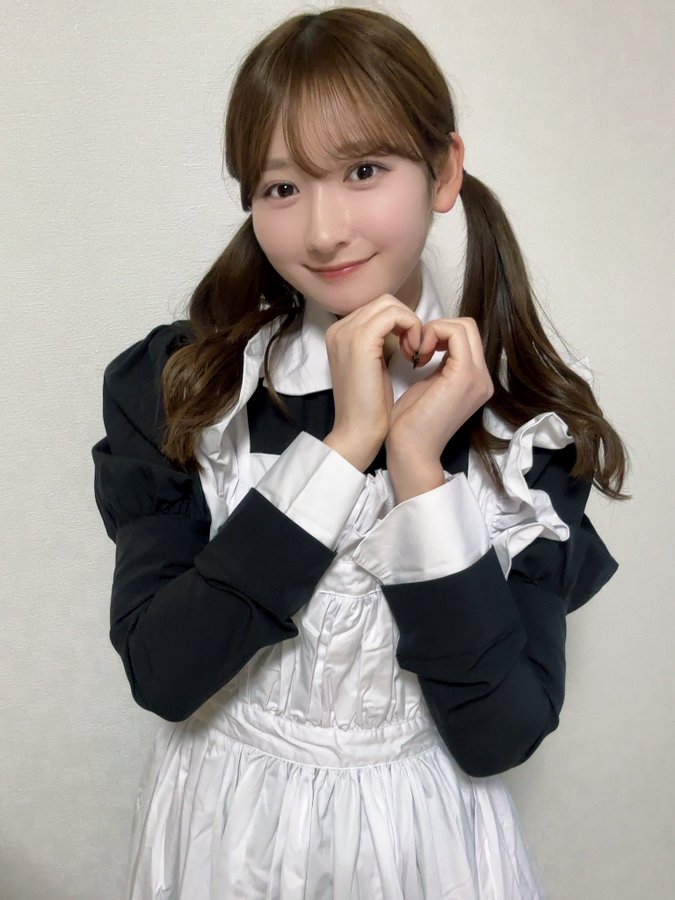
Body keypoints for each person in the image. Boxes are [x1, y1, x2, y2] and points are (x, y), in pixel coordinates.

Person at [91, 7, 629, 899]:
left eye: (364, 170)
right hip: (224, 836)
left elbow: (498, 734)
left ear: (443, 172)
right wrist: (344, 446)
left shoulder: (525, 425)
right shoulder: (185, 385)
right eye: (281, 187)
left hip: (429, 846)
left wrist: (417, 465)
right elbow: (166, 673)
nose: (322, 230)